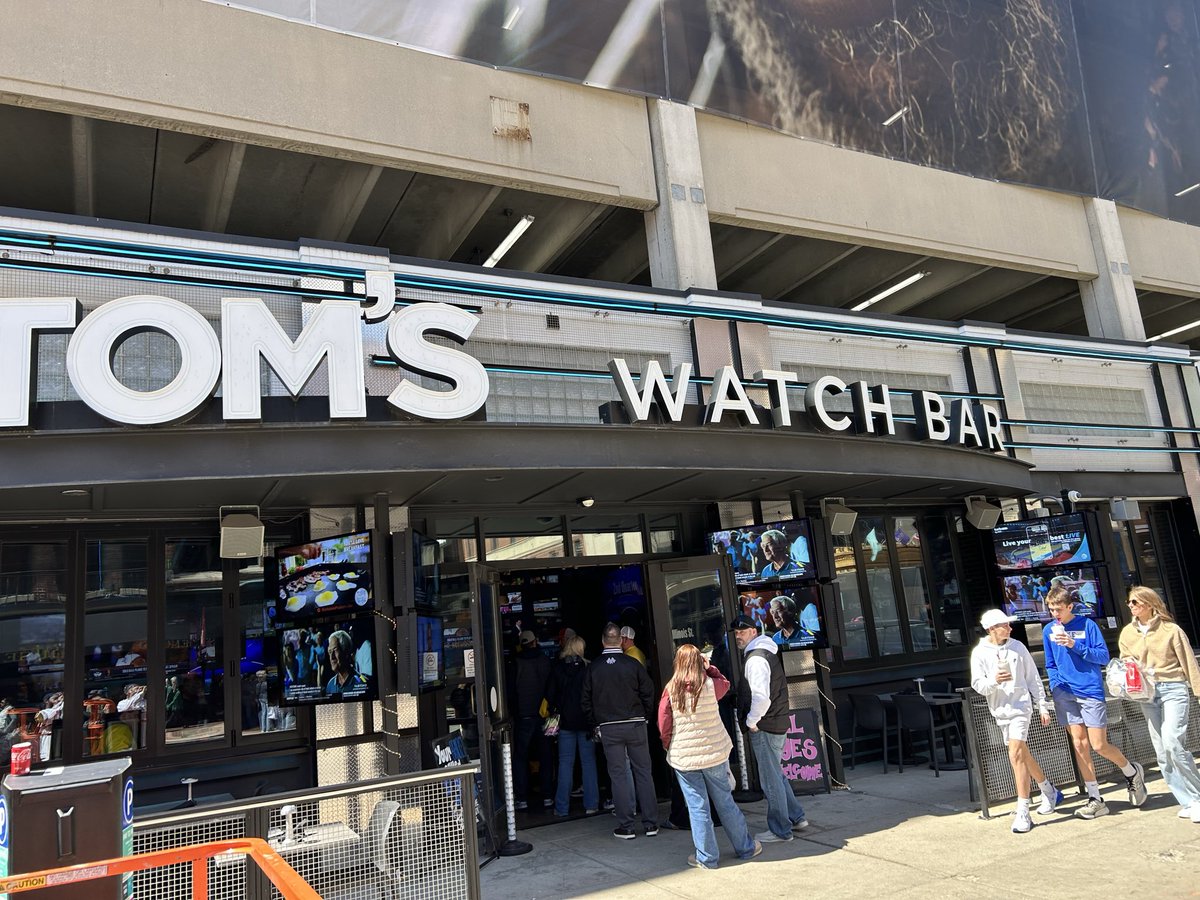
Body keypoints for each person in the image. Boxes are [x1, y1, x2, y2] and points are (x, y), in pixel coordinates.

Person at [1042, 586, 1146, 818]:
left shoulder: (1088, 625)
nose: (1055, 614)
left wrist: (1073, 644)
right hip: (1064, 693)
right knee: (1079, 744)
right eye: (1051, 610)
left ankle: (1131, 771)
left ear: (1070, 606)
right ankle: (1095, 798)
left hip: (1089, 690)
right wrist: (1056, 685)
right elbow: (1050, 662)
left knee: (1098, 744)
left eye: (1059, 609)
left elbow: (1102, 657)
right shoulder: (1048, 629)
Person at [658, 643, 761, 869]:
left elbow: (664, 724)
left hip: (685, 757)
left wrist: (669, 745)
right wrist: (710, 668)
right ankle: (745, 847)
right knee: (725, 802)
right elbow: (726, 683)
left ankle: (706, 858)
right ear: (699, 662)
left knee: (698, 807)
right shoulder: (711, 685)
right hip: (714, 754)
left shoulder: (670, 689)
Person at [969, 609, 1061, 833]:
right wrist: (994, 681)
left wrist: (1042, 705)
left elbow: (1032, 677)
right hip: (999, 710)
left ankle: (1023, 811)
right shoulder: (979, 652)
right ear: (992, 629)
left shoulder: (1018, 647)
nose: (1010, 628)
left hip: (1021, 707)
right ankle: (1048, 789)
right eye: (1004, 625)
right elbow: (978, 684)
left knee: (1015, 755)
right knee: (1021, 754)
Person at [1118, 586, 1200, 823]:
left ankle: (1197, 797)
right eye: (1129, 602)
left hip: (1173, 687)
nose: (1131, 606)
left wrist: (1198, 691)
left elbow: (1188, 661)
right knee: (1162, 750)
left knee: (1173, 742)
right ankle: (1186, 801)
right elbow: (1125, 662)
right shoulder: (1127, 633)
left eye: (1135, 602)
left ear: (1149, 604)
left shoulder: (1171, 630)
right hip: (1147, 693)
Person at [729, 614, 808, 842]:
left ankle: (780, 830)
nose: (738, 636)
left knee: (770, 780)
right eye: (736, 633)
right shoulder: (765, 652)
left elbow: (761, 698)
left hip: (766, 725)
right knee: (776, 774)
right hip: (775, 721)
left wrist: (751, 722)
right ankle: (796, 816)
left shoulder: (756, 659)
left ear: (754, 632)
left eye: (743, 632)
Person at [581, 622, 659, 839]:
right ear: (620, 641)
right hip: (635, 723)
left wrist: (594, 723)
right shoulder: (632, 664)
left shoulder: (594, 667)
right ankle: (651, 823)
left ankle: (627, 826)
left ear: (603, 641)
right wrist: (645, 715)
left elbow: (585, 700)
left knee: (618, 775)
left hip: (609, 726)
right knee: (643, 772)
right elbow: (648, 690)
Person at [546, 635, 599, 816]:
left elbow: (550, 696)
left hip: (565, 722)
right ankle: (591, 805)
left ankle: (562, 808)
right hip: (585, 722)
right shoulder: (588, 668)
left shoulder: (558, 668)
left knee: (565, 764)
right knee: (589, 763)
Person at [511, 630, 554, 811]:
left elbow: (512, 691)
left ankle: (522, 799)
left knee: (521, 757)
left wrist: (515, 713)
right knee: (547, 755)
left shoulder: (515, 663)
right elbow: (552, 687)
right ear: (535, 641)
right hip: (546, 716)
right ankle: (548, 797)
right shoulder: (545, 660)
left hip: (524, 717)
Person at [325, 630, 369, 697]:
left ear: (346, 652)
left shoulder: (362, 681)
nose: (331, 657)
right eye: (330, 651)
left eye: (335, 650)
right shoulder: (330, 685)